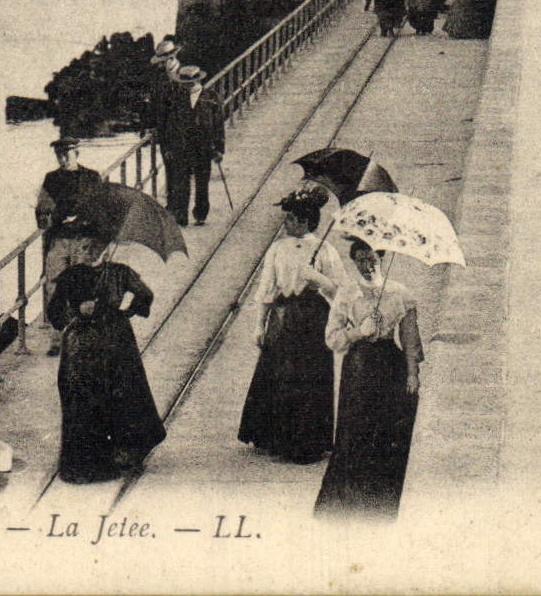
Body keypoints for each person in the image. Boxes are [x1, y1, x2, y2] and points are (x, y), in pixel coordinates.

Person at [314, 240, 423, 520]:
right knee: (356, 429)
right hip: (359, 370)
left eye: (371, 257)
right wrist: (358, 332)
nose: (367, 264)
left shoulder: (400, 293)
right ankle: (352, 498)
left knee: (387, 429)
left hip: (390, 368)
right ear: (353, 262)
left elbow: (410, 339)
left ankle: (382, 499)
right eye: (360, 259)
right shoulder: (346, 295)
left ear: (381, 257)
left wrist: (412, 373)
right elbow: (332, 338)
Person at [239, 186, 345, 464]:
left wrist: (318, 280)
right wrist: (259, 325)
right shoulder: (277, 249)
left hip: (313, 319)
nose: (287, 224)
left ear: (306, 221)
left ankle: (308, 440)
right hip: (284, 317)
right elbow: (267, 288)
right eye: (287, 219)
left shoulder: (325, 250)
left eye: (292, 220)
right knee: (281, 375)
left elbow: (341, 290)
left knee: (310, 377)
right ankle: (279, 439)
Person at [51, 262, 165, 482]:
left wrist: (75, 315)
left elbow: (55, 315)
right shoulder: (120, 272)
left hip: (81, 345)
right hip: (116, 338)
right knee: (126, 391)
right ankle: (126, 447)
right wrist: (127, 312)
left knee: (82, 398)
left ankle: (87, 458)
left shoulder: (70, 275)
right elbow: (145, 294)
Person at [37, 138, 106, 350]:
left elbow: (102, 210)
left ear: (77, 154)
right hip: (59, 240)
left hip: (84, 240)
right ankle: (57, 339)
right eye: (60, 155)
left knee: (83, 287)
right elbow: (42, 214)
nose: (64, 158)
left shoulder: (92, 178)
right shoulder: (51, 180)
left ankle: (84, 337)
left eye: (68, 153)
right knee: (53, 287)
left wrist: (85, 220)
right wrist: (57, 217)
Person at [160, 65, 224, 227]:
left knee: (202, 181)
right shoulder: (173, 98)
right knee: (181, 181)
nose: (186, 86)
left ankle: (200, 214)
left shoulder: (211, 97)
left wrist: (219, 149)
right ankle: (181, 216)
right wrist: (167, 147)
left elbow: (218, 125)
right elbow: (166, 124)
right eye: (183, 83)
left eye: (189, 83)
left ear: (197, 81)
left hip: (204, 145)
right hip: (180, 145)